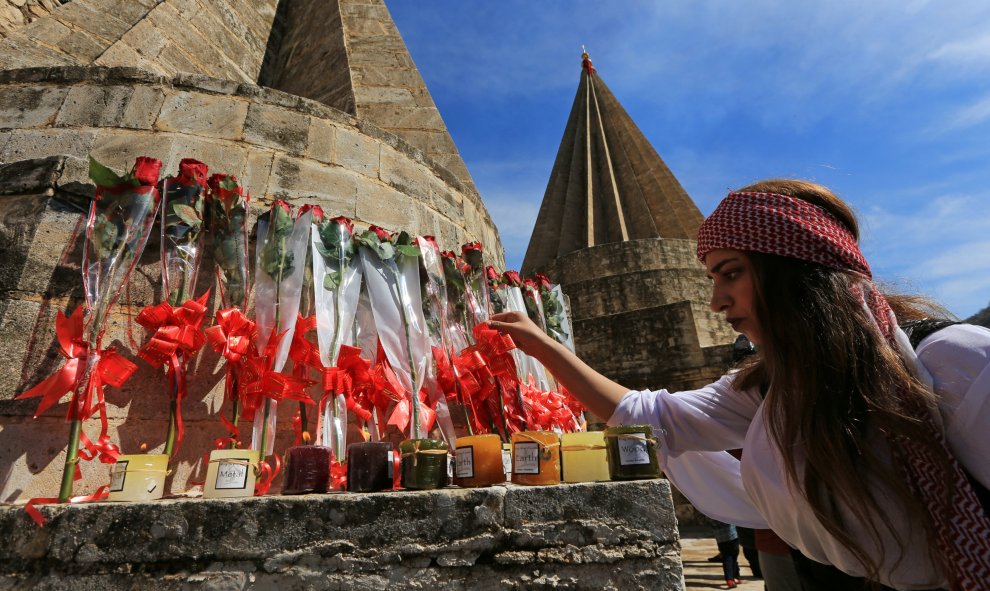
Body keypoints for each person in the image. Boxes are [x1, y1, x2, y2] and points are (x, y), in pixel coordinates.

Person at [490, 179, 990, 591]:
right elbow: (651, 416)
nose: (717, 301)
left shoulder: (955, 361)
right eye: (711, 278)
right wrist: (542, 345)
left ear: (794, 272)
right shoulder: (772, 388)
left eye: (731, 273)